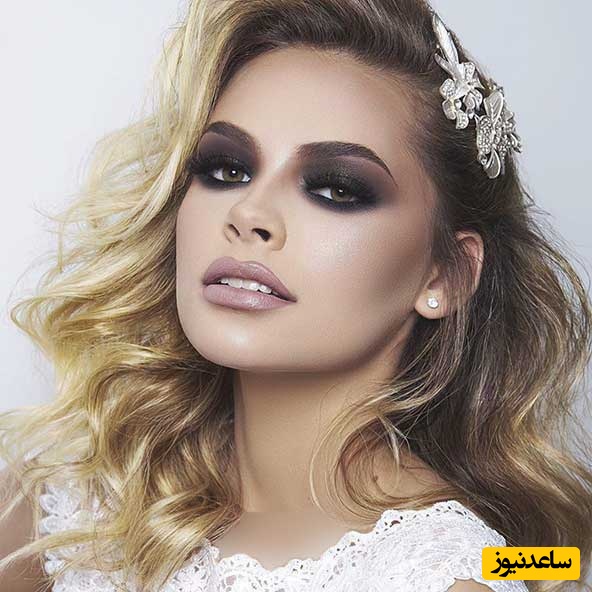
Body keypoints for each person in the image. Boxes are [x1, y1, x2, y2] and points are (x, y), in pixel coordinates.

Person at [1, 0, 591, 591]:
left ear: (446, 276)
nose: (249, 212)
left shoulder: (451, 576)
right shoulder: (71, 504)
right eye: (227, 169)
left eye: (335, 189)